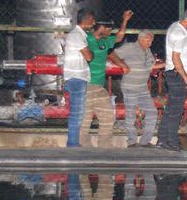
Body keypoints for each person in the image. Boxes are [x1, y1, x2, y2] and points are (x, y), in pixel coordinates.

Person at [81, 10, 132, 147]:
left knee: (108, 116)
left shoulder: (105, 41)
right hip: (86, 85)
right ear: (102, 27)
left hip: (99, 86)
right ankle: (84, 149)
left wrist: (125, 20)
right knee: (84, 120)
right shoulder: (86, 39)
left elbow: (119, 37)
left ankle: (104, 147)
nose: (111, 31)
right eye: (109, 28)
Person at [157, 6, 187, 151]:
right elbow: (176, 58)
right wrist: (186, 79)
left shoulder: (178, 27)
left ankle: (163, 140)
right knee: (175, 111)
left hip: (173, 73)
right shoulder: (179, 33)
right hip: (177, 75)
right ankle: (173, 143)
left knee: (171, 109)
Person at [118, 30, 165, 147]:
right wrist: (122, 65)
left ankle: (145, 141)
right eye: (148, 40)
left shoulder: (147, 50)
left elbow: (151, 66)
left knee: (152, 112)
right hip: (130, 86)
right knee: (130, 114)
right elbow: (112, 54)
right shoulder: (129, 47)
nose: (150, 43)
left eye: (151, 41)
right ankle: (131, 142)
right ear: (140, 39)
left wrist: (167, 64)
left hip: (143, 88)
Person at [63, 8, 95, 147]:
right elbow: (88, 56)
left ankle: (73, 143)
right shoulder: (77, 35)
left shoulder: (78, 34)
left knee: (76, 112)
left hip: (75, 76)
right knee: (77, 113)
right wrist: (91, 52)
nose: (94, 23)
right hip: (76, 77)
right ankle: (72, 144)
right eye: (92, 20)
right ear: (87, 20)